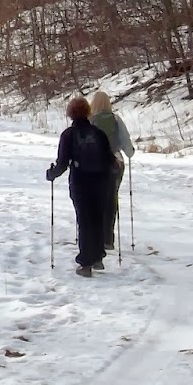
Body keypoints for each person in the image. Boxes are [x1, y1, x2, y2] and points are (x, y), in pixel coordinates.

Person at [46, 96, 116, 276]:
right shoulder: (98, 133)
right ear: (87, 111)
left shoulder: (68, 135)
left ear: (70, 113)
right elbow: (110, 159)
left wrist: (51, 174)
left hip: (80, 181)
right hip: (101, 181)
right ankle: (98, 256)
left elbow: (62, 162)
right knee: (98, 217)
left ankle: (85, 263)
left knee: (84, 220)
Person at [89, 90, 135, 249]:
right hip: (116, 162)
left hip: (94, 164)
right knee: (111, 198)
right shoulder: (116, 119)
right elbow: (126, 144)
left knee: (94, 200)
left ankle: (95, 236)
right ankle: (108, 238)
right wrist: (130, 152)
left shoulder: (89, 120)